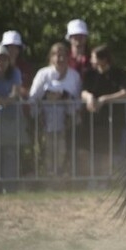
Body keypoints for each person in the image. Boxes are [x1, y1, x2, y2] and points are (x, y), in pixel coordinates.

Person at [28, 43, 83, 177]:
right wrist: (39, 114)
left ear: (67, 57)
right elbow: (33, 97)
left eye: (63, 55)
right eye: (56, 55)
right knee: (47, 151)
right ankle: (48, 178)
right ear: (51, 57)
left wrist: (64, 97)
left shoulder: (74, 76)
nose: (60, 59)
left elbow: (79, 100)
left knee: (63, 151)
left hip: (67, 123)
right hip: (46, 122)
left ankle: (62, 177)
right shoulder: (43, 74)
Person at [80, 45, 126, 176]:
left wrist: (104, 99)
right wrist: (89, 97)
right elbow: (83, 92)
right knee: (89, 149)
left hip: (113, 120)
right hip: (93, 120)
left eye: (93, 57)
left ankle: (104, 179)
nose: (91, 60)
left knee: (107, 151)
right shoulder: (90, 74)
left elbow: (125, 93)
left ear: (103, 59)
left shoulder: (118, 74)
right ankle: (91, 179)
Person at [0, 44, 26, 190]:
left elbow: (15, 94)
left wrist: (3, 100)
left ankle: (9, 188)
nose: (1, 62)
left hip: (11, 120)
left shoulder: (15, 72)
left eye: (4, 59)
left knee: (9, 154)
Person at [1, 30, 34, 98]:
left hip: (19, 107)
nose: (12, 50)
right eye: (8, 47)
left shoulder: (25, 67)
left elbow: (25, 90)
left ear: (19, 49)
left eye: (15, 47)